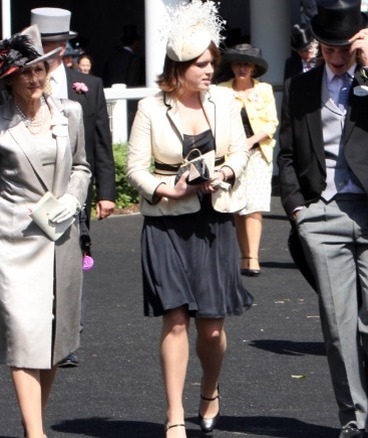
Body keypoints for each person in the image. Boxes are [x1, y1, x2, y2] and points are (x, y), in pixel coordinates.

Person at [125, 2, 252, 436]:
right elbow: (135, 168)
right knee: (175, 318)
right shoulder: (150, 108)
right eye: (201, 64)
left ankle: (210, 390)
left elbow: (239, 151)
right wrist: (168, 189)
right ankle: (174, 415)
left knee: (212, 330)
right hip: (166, 223)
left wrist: (227, 172)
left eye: (212, 63)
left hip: (214, 222)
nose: (209, 70)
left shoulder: (224, 101)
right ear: (178, 68)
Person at [277, 0, 368, 436]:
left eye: (345, 48)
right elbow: (286, 155)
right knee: (339, 326)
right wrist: (298, 210)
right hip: (321, 213)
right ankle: (354, 418)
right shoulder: (301, 88)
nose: (338, 57)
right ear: (318, 46)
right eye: (330, 49)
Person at [0, 25, 91, 438]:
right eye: (25, 74)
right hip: (13, 241)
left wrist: (73, 198)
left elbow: (82, 166)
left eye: (39, 70)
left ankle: (30, 424)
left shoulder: (68, 112)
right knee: (24, 336)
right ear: (9, 79)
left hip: (61, 236)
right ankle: (37, 435)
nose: (35, 79)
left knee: (54, 343)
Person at [32, 6, 116, 368]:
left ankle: (67, 339)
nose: (51, 52)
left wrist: (107, 192)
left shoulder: (89, 86)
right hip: (31, 189)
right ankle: (36, 331)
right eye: (44, 45)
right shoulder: (20, 82)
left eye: (56, 45)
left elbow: (101, 142)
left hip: (73, 190)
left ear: (66, 46)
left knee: (71, 264)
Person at [218, 43, 278, 276]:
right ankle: (243, 256)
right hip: (230, 155)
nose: (242, 68)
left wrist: (251, 140)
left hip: (257, 153)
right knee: (237, 206)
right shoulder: (221, 90)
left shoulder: (263, 90)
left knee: (255, 207)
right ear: (232, 67)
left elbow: (271, 123)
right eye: (238, 64)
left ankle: (253, 257)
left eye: (247, 64)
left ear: (254, 68)